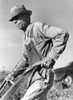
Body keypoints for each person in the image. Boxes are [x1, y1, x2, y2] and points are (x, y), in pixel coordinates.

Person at [8, 4, 69, 100]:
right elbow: (24, 61)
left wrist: (51, 57)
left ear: (26, 16)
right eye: (13, 20)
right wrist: (12, 75)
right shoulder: (26, 37)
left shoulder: (37, 27)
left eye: (17, 17)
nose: (15, 21)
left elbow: (62, 34)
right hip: (33, 79)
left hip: (42, 77)